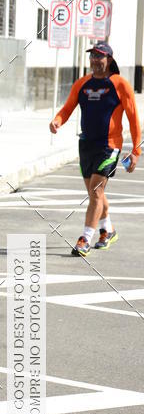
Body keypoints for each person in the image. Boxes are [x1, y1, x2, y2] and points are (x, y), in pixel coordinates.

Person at [50, 41, 141, 256]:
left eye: (99, 56)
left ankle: (85, 239)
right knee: (94, 194)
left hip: (109, 146)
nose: (94, 60)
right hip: (86, 144)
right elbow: (68, 107)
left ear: (109, 59)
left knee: (96, 191)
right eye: (92, 56)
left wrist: (136, 151)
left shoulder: (120, 84)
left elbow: (134, 120)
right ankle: (107, 230)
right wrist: (57, 121)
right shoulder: (82, 83)